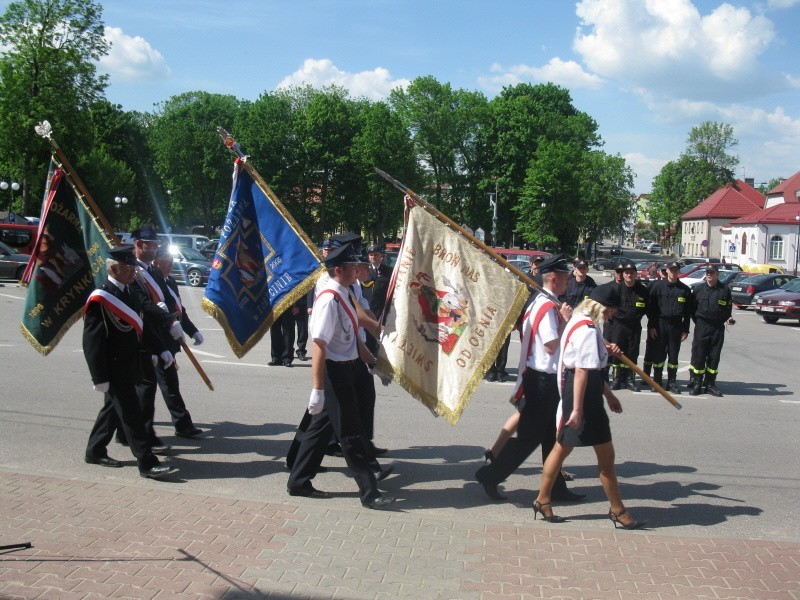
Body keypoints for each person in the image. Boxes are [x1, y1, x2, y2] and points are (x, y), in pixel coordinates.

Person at [287, 242, 395, 509]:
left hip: (347, 367)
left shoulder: (345, 293)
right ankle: (369, 492)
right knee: (351, 434)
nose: (358, 269)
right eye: (352, 266)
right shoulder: (328, 299)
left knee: (320, 429)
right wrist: (318, 388)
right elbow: (319, 345)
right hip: (334, 372)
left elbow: (352, 339)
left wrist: (372, 362)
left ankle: (298, 481)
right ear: (338, 269)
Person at [531, 283, 645, 529]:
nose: (611, 315)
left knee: (564, 449)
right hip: (582, 397)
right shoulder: (587, 330)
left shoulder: (581, 321)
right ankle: (618, 510)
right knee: (600, 456)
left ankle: (543, 499)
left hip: (586, 393)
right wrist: (578, 410)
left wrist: (609, 395)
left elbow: (591, 370)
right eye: (610, 311)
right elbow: (582, 371)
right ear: (600, 307)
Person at [475, 255, 584, 503]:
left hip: (544, 380)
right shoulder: (546, 308)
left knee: (550, 437)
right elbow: (550, 345)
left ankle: (555, 488)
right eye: (565, 277)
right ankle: (490, 476)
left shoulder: (543, 301)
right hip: (542, 382)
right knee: (529, 439)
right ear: (553, 279)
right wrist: (566, 323)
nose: (568, 281)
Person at [83, 245, 178, 479]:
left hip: (131, 361)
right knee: (132, 413)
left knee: (112, 410)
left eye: (133, 269)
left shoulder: (128, 292)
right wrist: (99, 377)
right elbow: (92, 342)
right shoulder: (101, 298)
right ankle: (147, 463)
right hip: (113, 366)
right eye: (128, 269)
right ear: (114, 269)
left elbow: (141, 325)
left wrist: (162, 349)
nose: (133, 273)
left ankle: (94, 450)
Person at [118, 225, 184, 453]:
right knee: (141, 389)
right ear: (137, 245)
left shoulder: (153, 271)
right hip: (138, 337)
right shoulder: (131, 271)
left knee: (135, 392)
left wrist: (174, 322)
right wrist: (165, 318)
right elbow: (141, 304)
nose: (154, 249)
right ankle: (139, 435)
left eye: (156, 245)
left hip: (156, 335)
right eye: (150, 244)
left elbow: (166, 298)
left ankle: (130, 434)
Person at [152, 246, 205, 438]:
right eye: (167, 262)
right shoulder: (153, 283)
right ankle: (183, 424)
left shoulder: (171, 282)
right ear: (157, 263)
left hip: (172, 341)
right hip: (158, 341)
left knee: (167, 385)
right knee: (168, 385)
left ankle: (125, 430)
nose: (171, 265)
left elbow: (179, 309)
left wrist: (193, 331)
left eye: (172, 261)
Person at [643, 261, 692, 393]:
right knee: (659, 355)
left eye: (676, 270)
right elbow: (651, 309)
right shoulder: (657, 287)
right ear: (667, 270)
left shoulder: (684, 290)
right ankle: (657, 381)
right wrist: (652, 326)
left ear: (679, 272)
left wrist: (685, 329)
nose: (673, 272)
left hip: (676, 326)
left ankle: (672, 382)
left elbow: (687, 313)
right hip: (659, 324)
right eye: (671, 270)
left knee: (673, 356)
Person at [689, 265, 735, 397]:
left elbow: (727, 308)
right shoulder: (698, 289)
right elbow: (692, 309)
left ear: (717, 274)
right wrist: (698, 322)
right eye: (707, 272)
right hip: (702, 326)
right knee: (699, 355)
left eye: (712, 272)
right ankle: (697, 383)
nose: (709, 274)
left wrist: (729, 318)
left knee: (714, 357)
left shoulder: (724, 290)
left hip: (717, 327)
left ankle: (710, 384)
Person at [607, 262, 648, 391]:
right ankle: (617, 379)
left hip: (634, 325)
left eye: (631, 272)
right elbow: (607, 305)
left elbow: (648, 308)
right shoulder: (616, 289)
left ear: (636, 274)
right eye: (627, 273)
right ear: (623, 274)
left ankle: (630, 380)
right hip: (619, 325)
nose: (629, 275)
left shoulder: (643, 290)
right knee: (617, 353)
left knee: (633, 353)